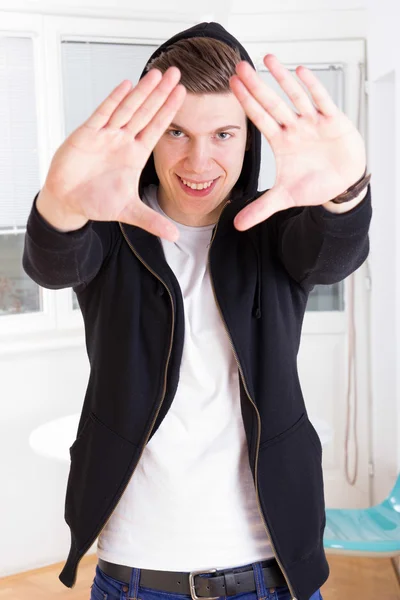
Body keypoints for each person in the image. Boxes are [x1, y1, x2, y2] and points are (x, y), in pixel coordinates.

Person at [22, 21, 372, 600]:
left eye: (224, 135)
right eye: (176, 132)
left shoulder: (275, 227)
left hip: (271, 569)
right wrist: (59, 204)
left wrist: (345, 194)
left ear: (249, 139)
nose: (198, 159)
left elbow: (333, 254)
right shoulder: (111, 230)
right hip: (135, 571)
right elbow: (54, 264)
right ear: (148, 135)